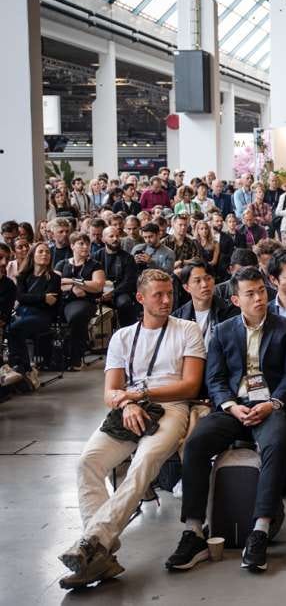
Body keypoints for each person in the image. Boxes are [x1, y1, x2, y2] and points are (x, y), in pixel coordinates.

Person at [59, 270, 205, 588]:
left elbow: (190, 386)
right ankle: (101, 553)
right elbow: (110, 392)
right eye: (158, 295)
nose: (166, 300)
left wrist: (139, 395)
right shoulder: (123, 337)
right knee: (87, 462)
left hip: (171, 407)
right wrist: (127, 404)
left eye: (170, 294)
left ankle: (92, 542)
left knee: (144, 462)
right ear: (140, 298)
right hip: (130, 409)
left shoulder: (187, 329)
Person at [167, 267, 286, 573]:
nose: (259, 298)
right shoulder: (223, 331)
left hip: (270, 407)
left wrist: (272, 404)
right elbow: (215, 378)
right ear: (236, 300)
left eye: (261, 291)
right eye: (250, 294)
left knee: (276, 442)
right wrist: (230, 406)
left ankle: (260, 530)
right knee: (197, 442)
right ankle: (194, 531)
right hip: (234, 407)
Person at [4, 243, 62, 385]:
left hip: (42, 316)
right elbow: (20, 297)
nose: (45, 254)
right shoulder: (23, 276)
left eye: (47, 252)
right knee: (10, 328)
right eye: (40, 251)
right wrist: (42, 297)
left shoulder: (54, 277)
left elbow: (51, 302)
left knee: (15, 329)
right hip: (23, 314)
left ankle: (22, 368)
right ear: (32, 255)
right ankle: (22, 369)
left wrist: (31, 299)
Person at [56, 232, 106, 370]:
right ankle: (55, 357)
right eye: (81, 244)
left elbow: (97, 286)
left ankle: (75, 358)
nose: (85, 247)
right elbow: (56, 284)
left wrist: (72, 281)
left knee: (77, 316)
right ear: (72, 246)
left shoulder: (95, 265)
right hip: (64, 300)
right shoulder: (62, 264)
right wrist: (75, 287)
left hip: (86, 301)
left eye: (87, 244)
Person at [172, 260, 239, 344]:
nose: (204, 285)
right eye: (197, 281)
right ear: (186, 288)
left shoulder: (230, 311)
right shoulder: (178, 318)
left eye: (208, 279)